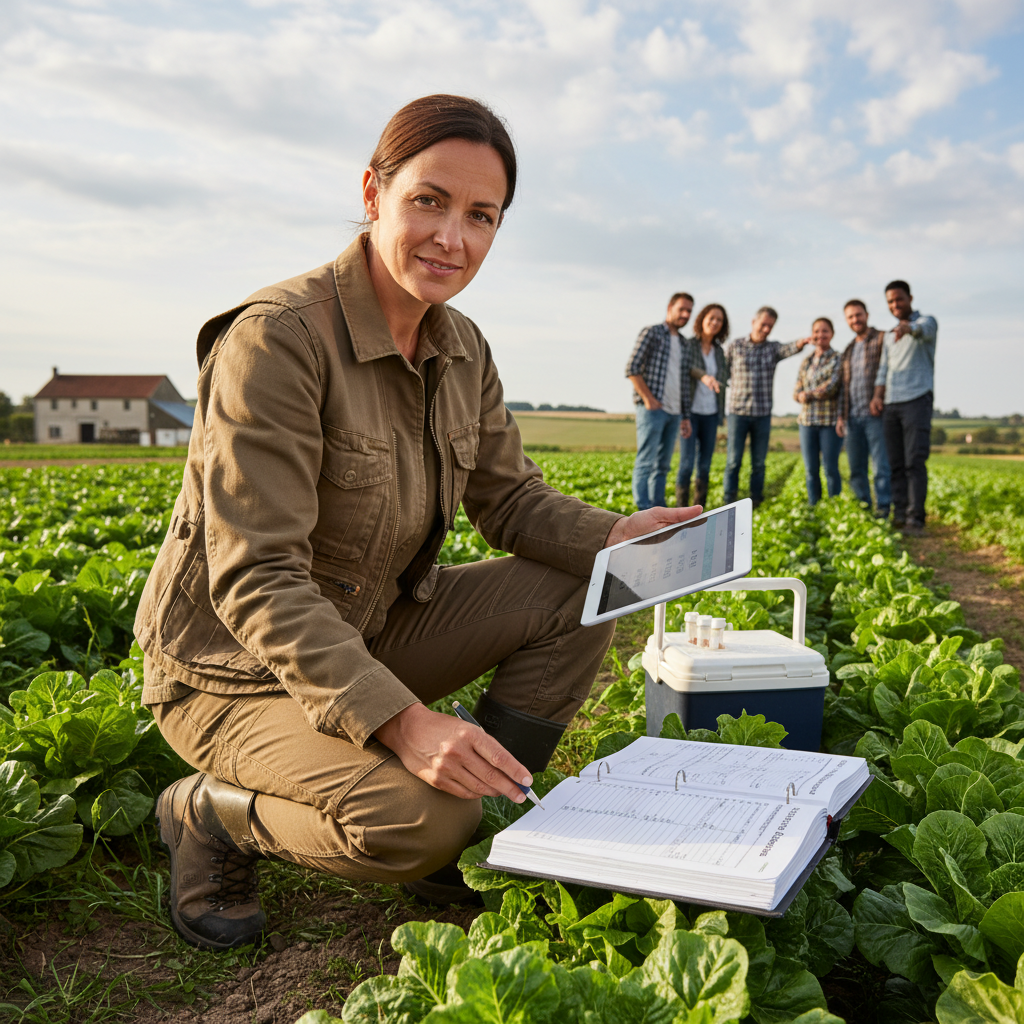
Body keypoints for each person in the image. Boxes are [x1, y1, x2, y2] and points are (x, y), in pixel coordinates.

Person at [134, 95, 703, 950]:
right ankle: (210, 816)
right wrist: (401, 720)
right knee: (417, 817)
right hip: (234, 673)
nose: (453, 238)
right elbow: (257, 579)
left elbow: (509, 501)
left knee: (590, 587)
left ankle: (485, 817)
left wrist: (615, 538)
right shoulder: (278, 340)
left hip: (369, 629)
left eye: (482, 216)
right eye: (429, 201)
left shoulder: (463, 348)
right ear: (374, 193)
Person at [722, 307, 811, 507]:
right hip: (738, 413)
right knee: (733, 461)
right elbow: (723, 373)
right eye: (763, 324)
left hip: (762, 414)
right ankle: (729, 500)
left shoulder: (773, 348)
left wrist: (802, 341)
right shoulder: (735, 346)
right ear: (753, 322)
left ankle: (756, 501)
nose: (766, 329)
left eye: (770, 326)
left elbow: (789, 348)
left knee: (759, 463)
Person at [871, 280, 938, 535]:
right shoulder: (890, 336)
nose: (894, 305)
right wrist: (878, 396)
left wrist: (907, 328)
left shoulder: (926, 322)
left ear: (909, 298)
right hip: (891, 404)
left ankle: (915, 518)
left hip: (917, 399)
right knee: (895, 463)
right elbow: (883, 370)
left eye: (898, 299)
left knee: (914, 461)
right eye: (890, 301)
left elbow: (923, 330)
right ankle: (899, 515)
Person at [625, 293, 694, 509]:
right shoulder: (652, 333)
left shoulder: (684, 343)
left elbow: (683, 382)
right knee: (646, 461)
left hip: (674, 412)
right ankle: (643, 509)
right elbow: (632, 368)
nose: (685, 315)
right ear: (669, 308)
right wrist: (649, 399)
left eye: (689, 311)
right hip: (653, 410)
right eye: (681, 309)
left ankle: (658, 508)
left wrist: (684, 416)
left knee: (663, 465)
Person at [836, 300, 890, 517]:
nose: (855, 320)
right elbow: (843, 387)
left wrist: (880, 397)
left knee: (880, 466)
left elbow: (889, 371)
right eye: (850, 317)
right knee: (856, 469)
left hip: (875, 415)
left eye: (858, 315)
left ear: (867, 314)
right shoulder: (848, 350)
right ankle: (864, 509)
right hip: (852, 417)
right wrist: (841, 416)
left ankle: (884, 508)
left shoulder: (881, 339)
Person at [676, 303, 729, 508]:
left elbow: (724, 379)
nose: (715, 322)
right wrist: (704, 377)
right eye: (711, 318)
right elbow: (686, 368)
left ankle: (698, 511)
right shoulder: (689, 345)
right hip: (690, 413)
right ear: (702, 319)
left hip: (711, 414)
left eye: (719, 320)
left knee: (705, 466)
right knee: (686, 465)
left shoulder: (719, 352)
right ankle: (681, 511)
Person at [794, 318, 843, 505]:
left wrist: (809, 394)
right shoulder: (806, 361)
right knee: (811, 470)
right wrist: (800, 395)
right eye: (816, 331)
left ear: (832, 334)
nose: (820, 335)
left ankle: (833, 506)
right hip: (807, 422)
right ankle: (814, 505)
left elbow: (832, 386)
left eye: (824, 331)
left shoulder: (837, 358)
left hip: (828, 422)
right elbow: (796, 389)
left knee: (830, 468)